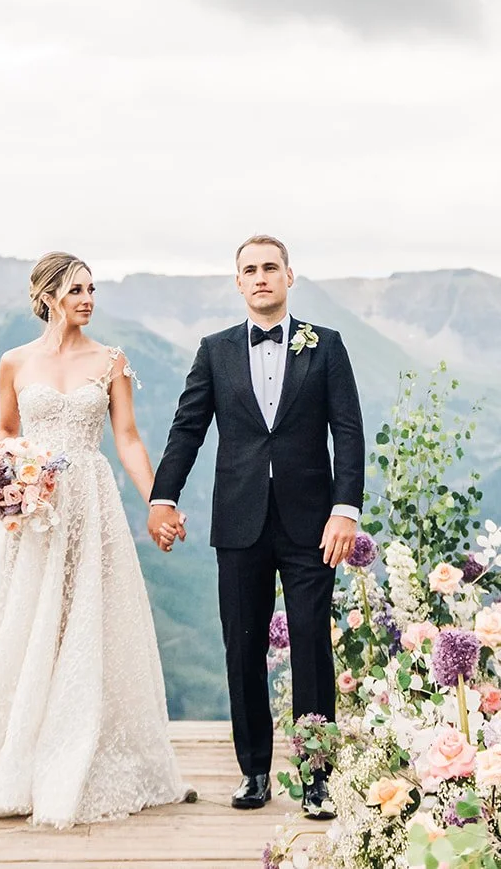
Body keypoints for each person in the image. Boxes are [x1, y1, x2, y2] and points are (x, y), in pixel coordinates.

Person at [0, 251, 186, 826]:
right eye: (76, 290)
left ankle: (78, 743)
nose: (88, 299)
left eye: (92, 290)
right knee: (22, 621)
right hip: (31, 508)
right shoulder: (14, 362)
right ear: (49, 296)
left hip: (90, 505)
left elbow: (126, 439)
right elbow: (5, 431)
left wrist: (158, 500)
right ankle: (10, 752)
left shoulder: (112, 361)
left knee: (84, 619)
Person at [149, 234, 364, 820]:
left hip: (311, 524)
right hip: (238, 522)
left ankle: (317, 778)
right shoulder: (214, 350)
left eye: (272, 267)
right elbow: (188, 428)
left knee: (312, 647)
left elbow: (347, 430)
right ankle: (254, 772)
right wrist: (163, 496)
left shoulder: (328, 346)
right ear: (238, 282)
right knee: (241, 646)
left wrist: (345, 510)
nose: (262, 277)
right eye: (251, 269)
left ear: (290, 276)